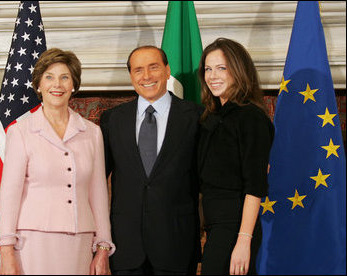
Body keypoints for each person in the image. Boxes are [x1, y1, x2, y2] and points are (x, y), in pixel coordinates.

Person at [0, 48, 114, 275]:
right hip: (32, 243)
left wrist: (103, 247)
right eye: (49, 77)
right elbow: (9, 196)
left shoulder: (92, 133)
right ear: (38, 85)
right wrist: (6, 252)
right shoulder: (20, 132)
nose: (57, 84)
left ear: (74, 85)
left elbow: (98, 194)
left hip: (79, 243)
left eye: (65, 77)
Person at [100, 46, 202, 275]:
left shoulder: (196, 117)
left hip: (176, 245)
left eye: (153, 67)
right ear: (131, 76)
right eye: (138, 70)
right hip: (125, 248)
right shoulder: (113, 119)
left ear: (167, 70)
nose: (146, 76)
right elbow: (96, 181)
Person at [197, 38, 274, 275]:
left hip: (236, 228)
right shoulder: (212, 118)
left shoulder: (251, 117)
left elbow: (255, 185)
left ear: (238, 71)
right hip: (215, 225)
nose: (213, 76)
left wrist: (243, 241)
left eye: (222, 68)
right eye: (208, 69)